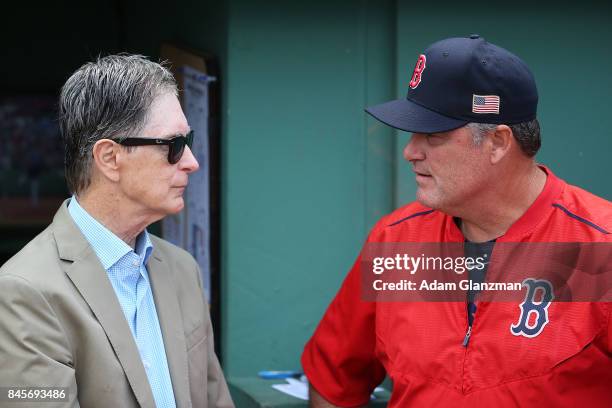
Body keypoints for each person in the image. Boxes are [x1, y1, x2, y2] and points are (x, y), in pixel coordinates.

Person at [302, 35, 611, 407]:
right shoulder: (397, 240)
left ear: (498, 142)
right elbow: (333, 381)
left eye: (433, 135)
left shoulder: (600, 247)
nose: (410, 151)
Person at [0, 55, 234, 408]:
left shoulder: (182, 269)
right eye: (172, 145)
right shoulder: (23, 291)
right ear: (110, 158)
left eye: (189, 140)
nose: (191, 161)